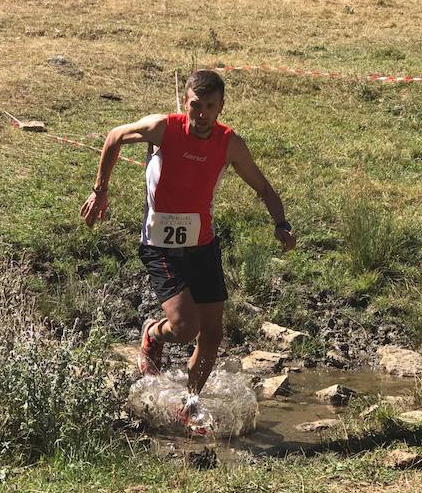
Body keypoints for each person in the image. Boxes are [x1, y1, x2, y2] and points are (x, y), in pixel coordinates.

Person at [80, 70, 295, 421]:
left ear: (221, 106)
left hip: (203, 244)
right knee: (184, 328)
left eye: (210, 106)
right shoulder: (163, 128)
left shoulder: (230, 143)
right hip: (161, 244)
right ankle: (153, 333)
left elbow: (265, 188)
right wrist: (100, 190)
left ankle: (190, 404)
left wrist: (281, 223)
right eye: (196, 105)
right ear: (186, 103)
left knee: (212, 333)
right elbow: (115, 136)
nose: (202, 115)